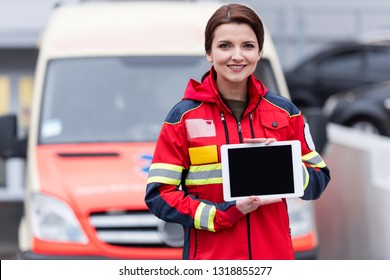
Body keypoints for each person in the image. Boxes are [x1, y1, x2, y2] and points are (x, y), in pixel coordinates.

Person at [145, 3, 330, 260]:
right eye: (225, 46)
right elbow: (160, 196)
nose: (237, 56)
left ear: (259, 51)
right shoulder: (183, 118)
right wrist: (222, 213)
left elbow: (319, 180)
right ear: (209, 52)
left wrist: (282, 167)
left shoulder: (286, 113)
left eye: (247, 46)